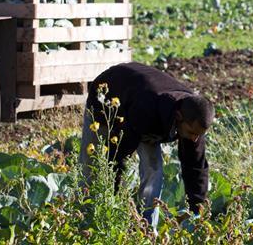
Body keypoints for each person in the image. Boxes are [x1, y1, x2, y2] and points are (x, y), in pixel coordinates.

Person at [79, 62, 214, 227]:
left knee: (154, 167)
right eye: (192, 133)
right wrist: (110, 204)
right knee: (91, 163)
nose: (195, 139)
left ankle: (147, 225)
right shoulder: (146, 110)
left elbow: (195, 168)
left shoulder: (194, 118)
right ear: (178, 117)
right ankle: (84, 215)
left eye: (199, 135)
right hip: (106, 97)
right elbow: (117, 155)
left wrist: (196, 212)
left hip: (144, 109)